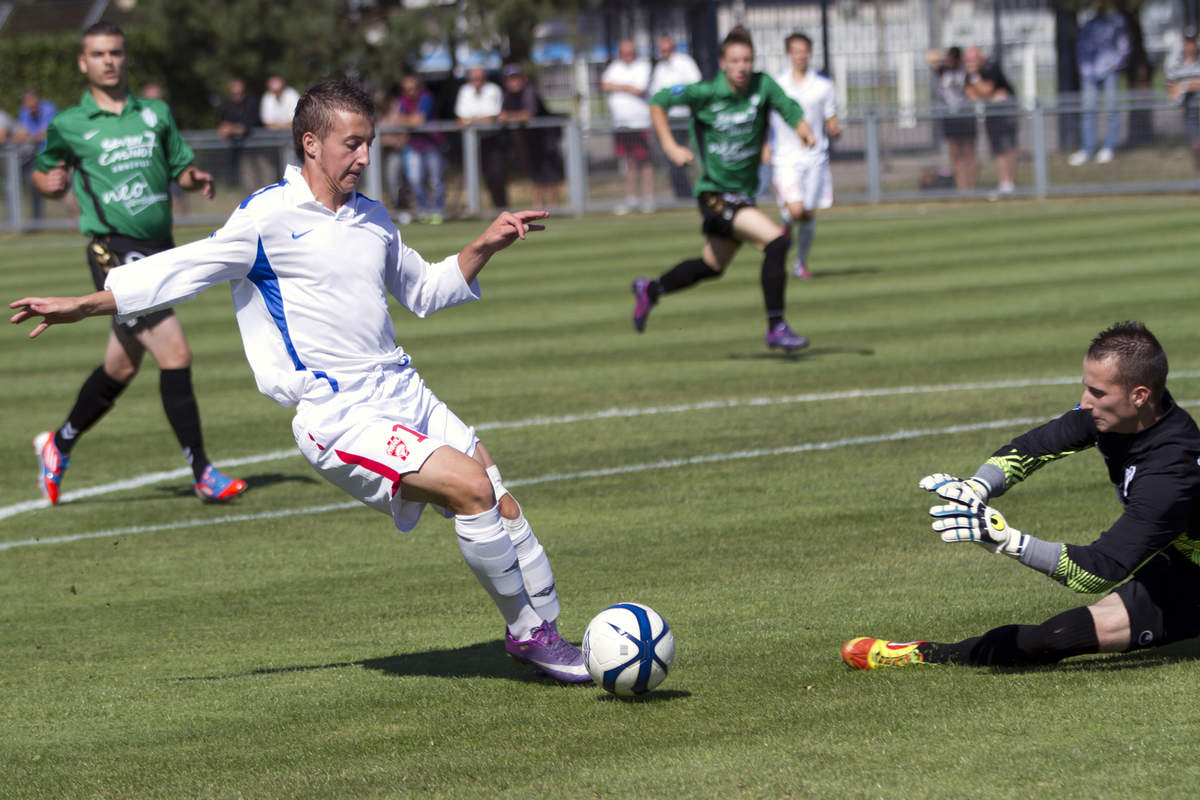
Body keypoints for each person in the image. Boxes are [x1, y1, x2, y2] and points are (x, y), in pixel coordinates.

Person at [10, 79, 589, 684]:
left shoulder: (372, 217)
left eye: (370, 143)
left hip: (404, 391)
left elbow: (425, 291)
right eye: (353, 144)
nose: (364, 157)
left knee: (500, 497)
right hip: (339, 415)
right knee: (470, 487)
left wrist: (484, 244)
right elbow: (181, 270)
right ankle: (529, 636)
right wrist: (86, 302)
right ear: (311, 143)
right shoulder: (266, 216)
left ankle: (550, 636)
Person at [843, 321, 1200, 670]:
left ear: (1139, 395)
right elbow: (1035, 446)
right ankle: (922, 654)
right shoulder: (1122, 415)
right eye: (1086, 387)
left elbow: (1098, 571)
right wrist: (976, 488)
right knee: (1050, 639)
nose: (1085, 402)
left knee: (1057, 637)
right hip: (1183, 563)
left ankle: (926, 654)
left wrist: (1008, 540)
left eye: (1098, 393)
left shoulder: (1171, 475)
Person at [26, 21, 244, 506]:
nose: (109, 61)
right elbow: (43, 174)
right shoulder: (69, 123)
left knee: (120, 367)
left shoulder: (156, 113)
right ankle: (203, 473)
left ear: (125, 58)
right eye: (99, 54)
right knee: (175, 352)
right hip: (113, 254)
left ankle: (56, 446)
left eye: (116, 53)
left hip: (161, 251)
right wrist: (51, 184)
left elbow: (178, 168)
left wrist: (194, 179)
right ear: (84, 63)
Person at [630, 26, 815, 352]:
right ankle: (776, 326)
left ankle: (650, 290)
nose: (742, 67)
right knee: (776, 243)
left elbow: (788, 106)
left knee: (711, 267)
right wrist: (671, 148)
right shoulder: (704, 92)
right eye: (735, 60)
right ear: (722, 63)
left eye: (747, 59)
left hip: (742, 196)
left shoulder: (763, 86)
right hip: (714, 194)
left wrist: (802, 127)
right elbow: (658, 101)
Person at [765, 32, 840, 280]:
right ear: (789, 53)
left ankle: (800, 263)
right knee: (796, 211)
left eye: (804, 51)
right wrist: (765, 145)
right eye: (796, 51)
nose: (800, 56)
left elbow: (831, 121)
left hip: (814, 157)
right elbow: (766, 119)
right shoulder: (777, 85)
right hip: (785, 156)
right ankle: (786, 222)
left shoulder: (823, 86)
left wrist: (835, 130)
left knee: (807, 214)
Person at [1069, 2, 1129, 166]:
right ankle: (1088, 149)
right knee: (1088, 111)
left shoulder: (1115, 23)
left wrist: (1114, 64)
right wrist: (1084, 67)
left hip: (1109, 70)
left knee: (1111, 110)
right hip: (1089, 72)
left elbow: (1124, 46)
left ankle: (1109, 147)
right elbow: (1080, 46)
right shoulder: (1087, 24)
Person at [601, 40, 655, 215]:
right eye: (625, 53)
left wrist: (617, 87)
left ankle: (649, 198)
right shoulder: (614, 67)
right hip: (621, 124)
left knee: (645, 161)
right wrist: (626, 87)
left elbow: (639, 89)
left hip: (640, 122)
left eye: (631, 53)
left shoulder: (643, 66)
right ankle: (632, 199)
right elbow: (605, 85)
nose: (628, 56)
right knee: (629, 162)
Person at [499, 64, 562, 210]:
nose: (513, 82)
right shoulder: (508, 96)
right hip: (530, 141)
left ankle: (554, 208)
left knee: (550, 174)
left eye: (515, 78)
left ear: (523, 79)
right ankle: (538, 208)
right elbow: (502, 115)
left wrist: (508, 116)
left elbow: (528, 115)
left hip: (546, 139)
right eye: (510, 79)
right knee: (535, 175)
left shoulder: (530, 91)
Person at [648, 35, 702, 200]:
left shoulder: (685, 62)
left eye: (668, 49)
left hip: (687, 118)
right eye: (662, 50)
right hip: (670, 121)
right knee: (674, 160)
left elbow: (695, 85)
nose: (665, 53)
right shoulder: (660, 68)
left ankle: (701, 192)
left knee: (697, 157)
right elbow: (655, 94)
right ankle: (683, 196)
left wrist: (675, 94)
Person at [390, 74, 446, 224]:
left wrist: (407, 120)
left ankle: (437, 211)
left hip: (431, 144)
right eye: (407, 89)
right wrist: (410, 120)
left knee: (436, 181)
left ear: (418, 87)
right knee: (415, 180)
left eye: (413, 88)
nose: (410, 92)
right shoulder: (403, 100)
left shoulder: (426, 97)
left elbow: (420, 120)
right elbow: (397, 120)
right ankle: (423, 211)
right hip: (413, 145)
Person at [963, 45, 1018, 198]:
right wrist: (983, 92)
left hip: (1005, 112)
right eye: (967, 60)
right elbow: (972, 95)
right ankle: (1004, 182)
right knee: (998, 148)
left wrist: (978, 84)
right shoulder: (970, 73)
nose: (970, 63)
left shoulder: (990, 67)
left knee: (1007, 146)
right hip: (991, 113)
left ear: (980, 57)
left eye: (972, 59)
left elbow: (985, 90)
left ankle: (1008, 182)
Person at [455, 66, 507, 209]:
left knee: (495, 175)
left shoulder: (493, 90)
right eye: (474, 78)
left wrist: (470, 121)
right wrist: (474, 121)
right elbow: (460, 119)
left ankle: (501, 208)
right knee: (470, 175)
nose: (477, 81)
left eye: (480, 78)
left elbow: (491, 118)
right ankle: (473, 208)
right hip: (470, 141)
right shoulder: (464, 91)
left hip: (492, 139)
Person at [926, 47, 977, 192]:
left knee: (969, 153)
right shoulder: (943, 70)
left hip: (966, 116)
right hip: (950, 116)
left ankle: (972, 188)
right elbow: (930, 57)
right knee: (956, 154)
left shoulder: (966, 71)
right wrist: (944, 56)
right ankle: (962, 188)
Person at [13, 89, 58, 220]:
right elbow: (21, 134)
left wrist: (29, 137)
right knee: (33, 188)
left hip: (55, 154)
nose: (30, 107)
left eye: (31, 103)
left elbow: (44, 133)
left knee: (66, 190)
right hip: (35, 157)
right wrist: (30, 137)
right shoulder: (25, 112)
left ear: (37, 100)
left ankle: (75, 222)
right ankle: (36, 220)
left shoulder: (49, 109)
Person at [217, 77, 263, 189]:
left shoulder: (252, 102)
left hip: (261, 148)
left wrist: (231, 129)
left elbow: (248, 126)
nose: (237, 95)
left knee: (266, 178)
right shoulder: (227, 105)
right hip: (243, 150)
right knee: (249, 182)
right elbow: (223, 126)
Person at [1165, 29, 1200, 173]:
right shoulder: (1176, 66)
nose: (1190, 45)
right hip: (1190, 113)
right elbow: (1172, 91)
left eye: (1193, 42)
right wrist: (1190, 85)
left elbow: (1181, 87)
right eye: (1188, 42)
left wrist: (1185, 85)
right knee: (1197, 147)